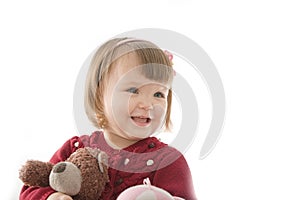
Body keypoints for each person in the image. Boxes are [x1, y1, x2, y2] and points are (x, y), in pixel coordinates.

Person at [19, 37, 197, 200]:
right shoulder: (75, 149)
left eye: (158, 94)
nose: (148, 104)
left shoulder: (167, 161)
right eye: (134, 91)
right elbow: (31, 189)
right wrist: (52, 197)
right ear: (99, 95)